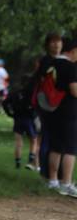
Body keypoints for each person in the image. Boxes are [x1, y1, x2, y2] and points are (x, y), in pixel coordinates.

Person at [37, 34, 77, 197]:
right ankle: (66, 183)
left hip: (53, 109)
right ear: (73, 51)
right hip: (69, 112)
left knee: (56, 147)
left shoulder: (52, 64)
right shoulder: (70, 67)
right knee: (70, 148)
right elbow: (74, 90)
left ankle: (53, 180)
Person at [34, 32, 62, 182]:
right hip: (47, 105)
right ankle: (46, 172)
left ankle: (57, 173)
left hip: (60, 105)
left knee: (57, 140)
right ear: (47, 45)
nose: (56, 44)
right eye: (53, 42)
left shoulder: (63, 60)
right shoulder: (46, 62)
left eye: (58, 41)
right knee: (47, 138)